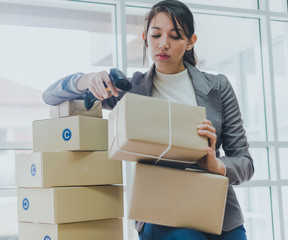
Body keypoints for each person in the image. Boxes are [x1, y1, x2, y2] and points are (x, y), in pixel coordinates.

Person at [42, 0, 254, 239]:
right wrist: (86, 80)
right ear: (145, 37)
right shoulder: (132, 90)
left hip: (219, 214)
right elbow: (50, 96)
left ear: (190, 42)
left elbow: (245, 162)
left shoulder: (217, 87)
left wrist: (217, 165)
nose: (163, 44)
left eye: (175, 36)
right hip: (160, 212)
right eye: (155, 35)